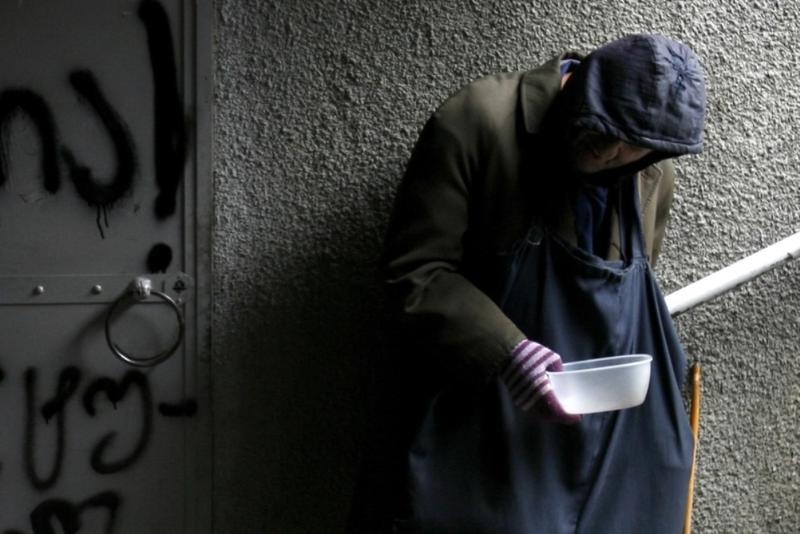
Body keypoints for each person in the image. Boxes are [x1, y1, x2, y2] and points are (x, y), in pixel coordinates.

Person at [350, 34, 707, 533]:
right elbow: (414, 271)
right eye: (604, 129)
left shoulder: (652, 176)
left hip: (592, 438)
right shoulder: (478, 123)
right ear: (580, 86)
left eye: (632, 146)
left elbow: (627, 296)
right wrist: (507, 352)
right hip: (481, 434)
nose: (610, 151)